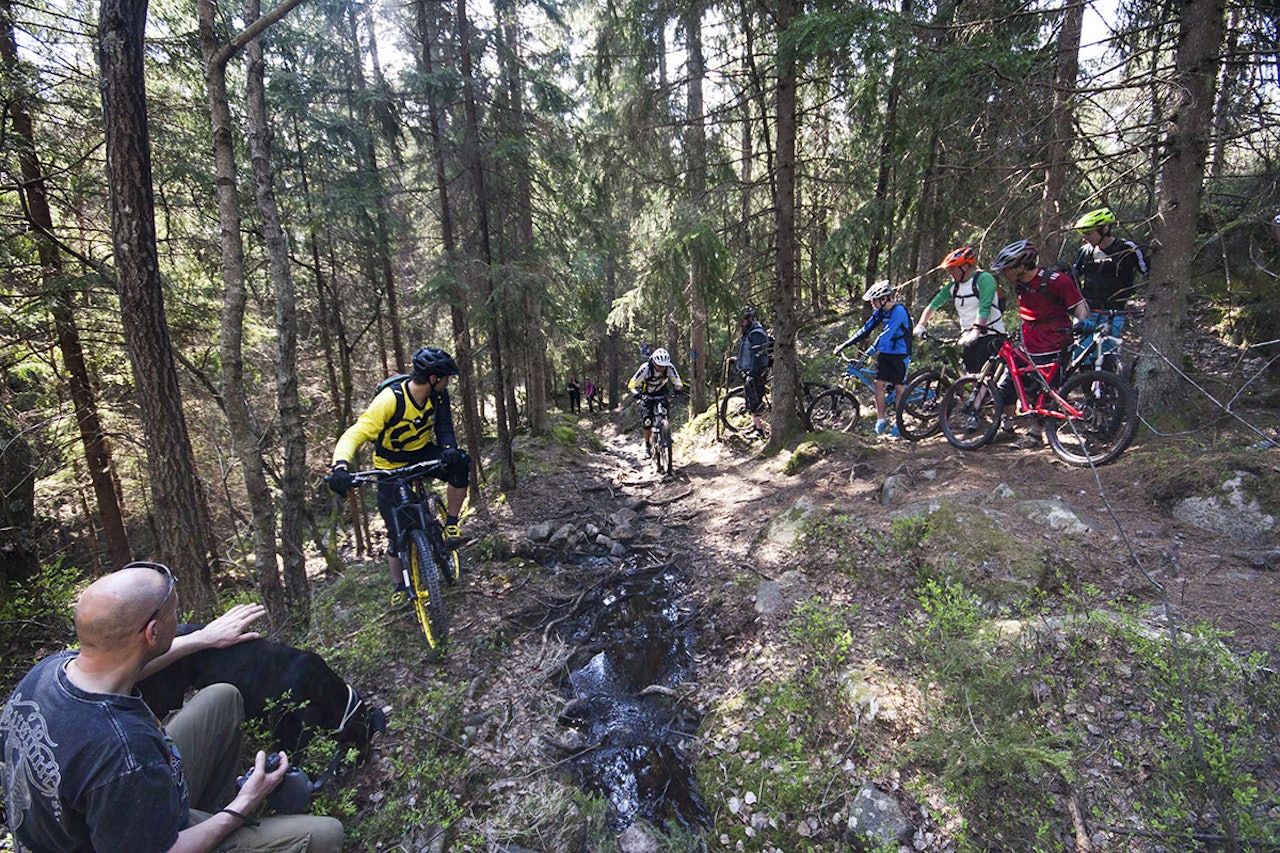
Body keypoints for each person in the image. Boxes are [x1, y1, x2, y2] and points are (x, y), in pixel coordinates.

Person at [0, 562, 344, 853]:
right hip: (139, 840)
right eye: (174, 613)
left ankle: (205, 813)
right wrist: (244, 804)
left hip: (91, 820)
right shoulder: (124, 754)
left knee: (221, 697)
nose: (179, 618)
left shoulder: (49, 670)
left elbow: (130, 663)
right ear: (151, 633)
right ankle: (217, 823)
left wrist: (202, 638)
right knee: (327, 834)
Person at [328, 346, 471, 607]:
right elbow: (355, 433)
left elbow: (444, 426)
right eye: (446, 377)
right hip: (388, 465)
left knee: (461, 463)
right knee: (396, 531)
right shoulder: (390, 400)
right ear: (433, 378)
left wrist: (449, 450)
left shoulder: (438, 397)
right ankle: (399, 585)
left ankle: (450, 522)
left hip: (422, 454)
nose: (447, 382)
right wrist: (340, 466)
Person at [990, 239, 1093, 449]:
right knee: (1008, 384)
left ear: (1020, 267)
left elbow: (1079, 305)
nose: (1003, 274)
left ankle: (1036, 435)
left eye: (1006, 269)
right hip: (1029, 343)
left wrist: (1081, 324)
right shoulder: (1019, 283)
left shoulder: (1056, 281)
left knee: (1044, 392)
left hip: (1054, 343)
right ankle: (1007, 427)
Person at [834, 280, 913, 438]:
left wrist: (868, 353)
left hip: (901, 352)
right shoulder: (880, 312)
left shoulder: (899, 311)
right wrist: (845, 344)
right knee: (878, 384)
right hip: (886, 352)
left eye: (874, 300)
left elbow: (887, 335)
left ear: (884, 299)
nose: (872, 303)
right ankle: (881, 421)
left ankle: (899, 423)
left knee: (898, 387)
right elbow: (865, 330)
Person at [1071, 207, 1148, 348]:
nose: (1085, 237)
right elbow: (1074, 277)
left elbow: (1148, 272)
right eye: (1083, 233)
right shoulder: (1085, 251)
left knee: (1107, 354)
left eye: (1089, 233)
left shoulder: (1127, 248)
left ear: (1105, 228)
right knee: (1080, 352)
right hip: (1088, 311)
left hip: (1114, 312)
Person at [627, 347, 684, 458]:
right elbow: (631, 385)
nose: (661, 368)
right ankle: (647, 445)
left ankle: (665, 434)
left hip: (662, 392)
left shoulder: (669, 368)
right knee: (647, 421)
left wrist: (677, 390)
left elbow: (678, 382)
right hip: (646, 394)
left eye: (663, 366)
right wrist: (636, 394)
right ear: (653, 361)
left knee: (665, 413)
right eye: (659, 365)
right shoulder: (645, 368)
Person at [733, 306, 771, 438]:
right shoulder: (748, 332)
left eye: (741, 321)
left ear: (749, 319)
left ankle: (760, 431)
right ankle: (755, 425)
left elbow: (758, 355)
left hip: (755, 372)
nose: (739, 324)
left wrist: (753, 373)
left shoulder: (756, 333)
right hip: (748, 371)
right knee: (750, 400)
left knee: (755, 401)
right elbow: (748, 352)